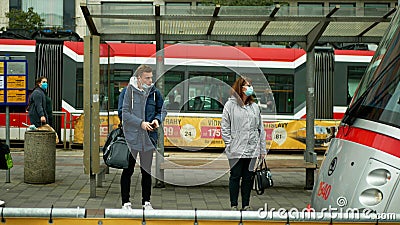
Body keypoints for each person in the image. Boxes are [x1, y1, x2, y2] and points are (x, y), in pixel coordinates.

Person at [121, 65, 166, 210]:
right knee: (128, 170)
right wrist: (140, 123)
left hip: (148, 139)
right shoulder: (128, 92)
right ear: (139, 78)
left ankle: (146, 202)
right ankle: (125, 202)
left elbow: (162, 110)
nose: (150, 81)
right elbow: (123, 113)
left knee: (146, 171)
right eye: (147, 78)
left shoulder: (155, 93)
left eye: (151, 77)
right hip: (131, 138)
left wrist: (157, 120)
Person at [221, 76, 267, 211]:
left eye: (250, 85)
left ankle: (246, 205)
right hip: (236, 149)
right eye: (247, 85)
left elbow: (261, 128)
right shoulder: (230, 105)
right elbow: (225, 127)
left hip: (252, 149)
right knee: (235, 176)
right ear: (240, 88)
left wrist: (262, 149)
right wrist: (229, 144)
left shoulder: (254, 107)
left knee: (248, 178)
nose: (250, 88)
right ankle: (233, 204)